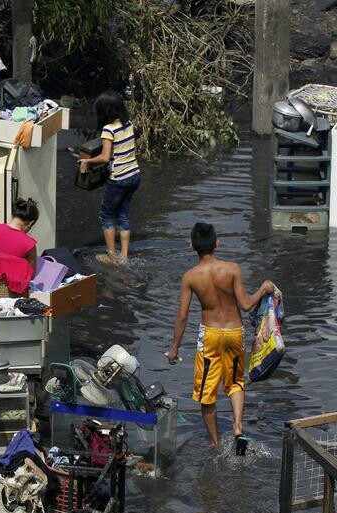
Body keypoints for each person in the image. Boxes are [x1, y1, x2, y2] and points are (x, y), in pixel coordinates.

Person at [166, 222, 275, 452]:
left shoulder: (190, 277)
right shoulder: (233, 269)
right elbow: (246, 305)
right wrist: (263, 289)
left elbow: (182, 316)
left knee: (207, 391)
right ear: (217, 243)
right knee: (235, 382)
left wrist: (175, 347)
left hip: (210, 336)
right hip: (235, 332)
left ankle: (215, 445)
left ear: (191, 246)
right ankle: (237, 426)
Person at [78, 90, 140, 265]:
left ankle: (112, 255)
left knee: (106, 215)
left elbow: (105, 157)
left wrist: (87, 161)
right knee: (123, 214)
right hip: (134, 175)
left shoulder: (108, 130)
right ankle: (125, 257)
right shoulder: (129, 124)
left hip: (119, 178)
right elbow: (127, 150)